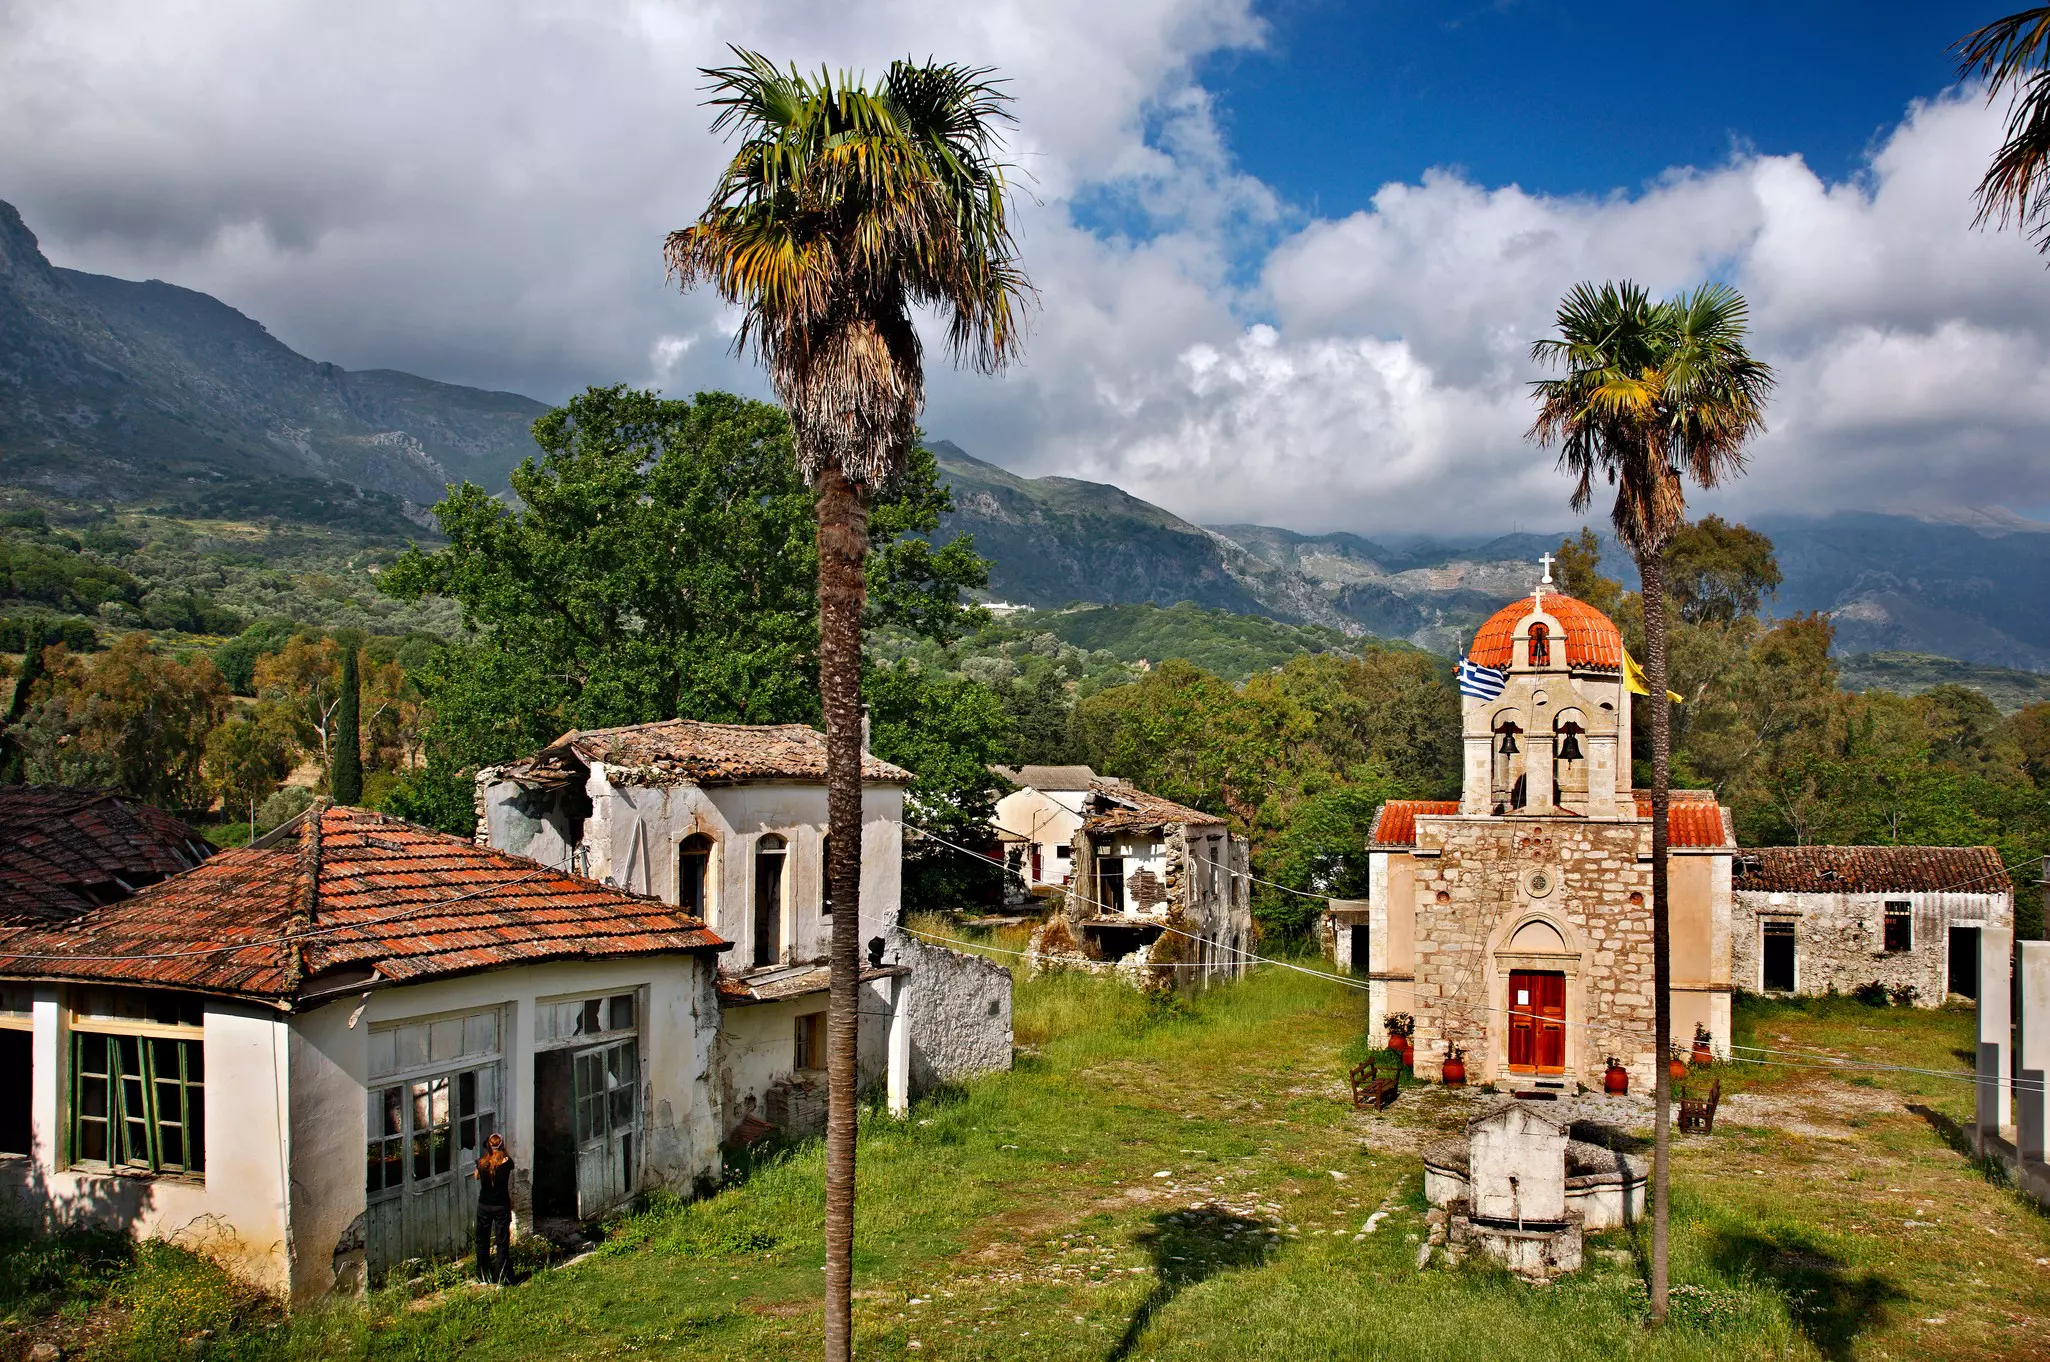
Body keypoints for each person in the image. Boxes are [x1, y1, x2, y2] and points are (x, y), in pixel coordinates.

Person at [473, 1131, 514, 1284]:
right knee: (502, 1242)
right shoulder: (507, 1163)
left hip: (484, 1206)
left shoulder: (482, 1163)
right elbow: (509, 1161)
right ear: (501, 1146)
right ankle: (502, 1277)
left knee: (482, 1240)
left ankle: (483, 1275)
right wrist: (502, 1150)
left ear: (488, 1146)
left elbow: (475, 1176)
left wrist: (486, 1155)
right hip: (500, 1207)